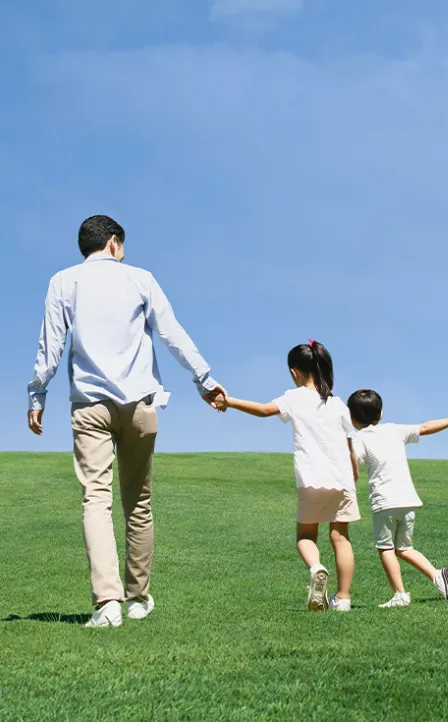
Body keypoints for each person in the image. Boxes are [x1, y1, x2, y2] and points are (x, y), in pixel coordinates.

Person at [27, 215, 225, 628]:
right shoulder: (140, 279)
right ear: (114, 243)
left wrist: (36, 394)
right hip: (139, 405)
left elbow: (51, 346)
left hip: (89, 406)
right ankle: (136, 599)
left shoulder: (63, 282)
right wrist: (204, 380)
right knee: (138, 503)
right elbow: (172, 334)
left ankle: (107, 604)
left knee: (95, 500)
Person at [214, 341, 360, 612]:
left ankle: (317, 568)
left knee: (305, 536)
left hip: (311, 479)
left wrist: (229, 401)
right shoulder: (338, 404)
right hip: (342, 480)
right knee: (341, 537)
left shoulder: (293, 398)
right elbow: (351, 445)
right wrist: (354, 473)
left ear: (294, 372)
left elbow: (262, 410)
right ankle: (343, 599)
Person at [347, 389, 448, 608]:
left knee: (386, 549)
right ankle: (438, 576)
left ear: (352, 418)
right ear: (381, 414)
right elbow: (426, 427)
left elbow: (353, 466)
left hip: (384, 502)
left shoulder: (358, 439)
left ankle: (400, 595)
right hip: (408, 500)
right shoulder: (395, 430)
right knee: (404, 548)